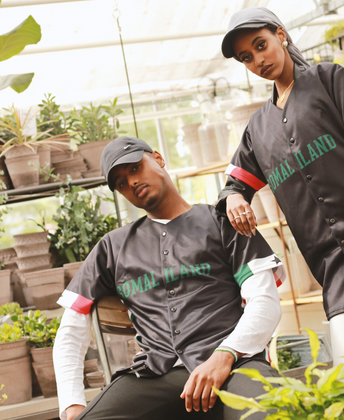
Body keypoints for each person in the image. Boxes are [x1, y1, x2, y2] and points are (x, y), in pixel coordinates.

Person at [217, 7, 344, 366]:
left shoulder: (331, 79)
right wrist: (233, 195)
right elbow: (235, 182)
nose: (258, 60)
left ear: (281, 34)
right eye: (247, 57)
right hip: (336, 265)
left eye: (261, 45)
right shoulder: (258, 128)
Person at [53, 136, 285, 420]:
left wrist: (225, 355)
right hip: (155, 374)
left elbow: (265, 302)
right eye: (121, 183)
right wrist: (72, 405)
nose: (132, 183)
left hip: (235, 365)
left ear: (159, 159)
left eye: (135, 168)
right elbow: (71, 330)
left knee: (271, 415)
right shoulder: (112, 248)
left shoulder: (222, 222)